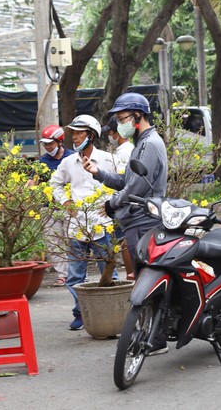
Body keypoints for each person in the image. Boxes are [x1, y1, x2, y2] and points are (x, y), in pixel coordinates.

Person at [84, 92, 168, 354]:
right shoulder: (141, 143)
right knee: (145, 279)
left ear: (138, 116)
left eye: (122, 119)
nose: (119, 125)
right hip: (137, 220)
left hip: (144, 221)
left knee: (148, 281)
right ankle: (152, 336)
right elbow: (126, 181)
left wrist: (112, 204)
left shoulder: (149, 144)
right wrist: (100, 174)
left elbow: (137, 187)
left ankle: (157, 339)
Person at [49, 115, 118, 330]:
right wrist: (66, 201)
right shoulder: (68, 162)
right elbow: (55, 184)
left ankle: (112, 312)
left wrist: (112, 206)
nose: (75, 137)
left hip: (103, 225)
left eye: (80, 133)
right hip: (77, 226)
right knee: (75, 276)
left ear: (91, 135)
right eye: (74, 133)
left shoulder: (108, 159)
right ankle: (81, 312)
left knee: (109, 273)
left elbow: (121, 184)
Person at [37, 124, 75, 286]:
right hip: (49, 207)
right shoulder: (42, 162)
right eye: (45, 144)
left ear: (59, 142)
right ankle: (62, 274)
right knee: (53, 242)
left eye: (50, 143)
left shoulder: (72, 158)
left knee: (72, 239)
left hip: (69, 206)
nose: (47, 147)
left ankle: (77, 273)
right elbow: (34, 180)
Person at [101, 115, 134, 278]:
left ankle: (131, 275)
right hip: (119, 202)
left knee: (124, 242)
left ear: (117, 133)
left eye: (111, 133)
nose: (110, 137)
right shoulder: (123, 150)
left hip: (122, 202)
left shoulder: (125, 152)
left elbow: (123, 181)